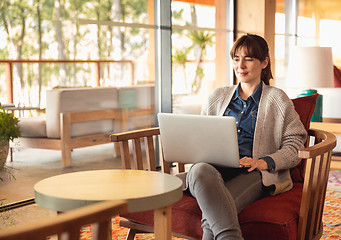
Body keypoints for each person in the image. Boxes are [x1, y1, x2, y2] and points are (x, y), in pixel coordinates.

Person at [185, 34, 307, 239]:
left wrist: (263, 162)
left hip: (253, 172)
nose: (240, 65)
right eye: (236, 58)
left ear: (264, 62)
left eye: (248, 59)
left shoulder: (277, 99)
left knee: (214, 213)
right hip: (214, 171)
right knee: (198, 170)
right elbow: (201, 136)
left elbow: (296, 145)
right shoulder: (217, 97)